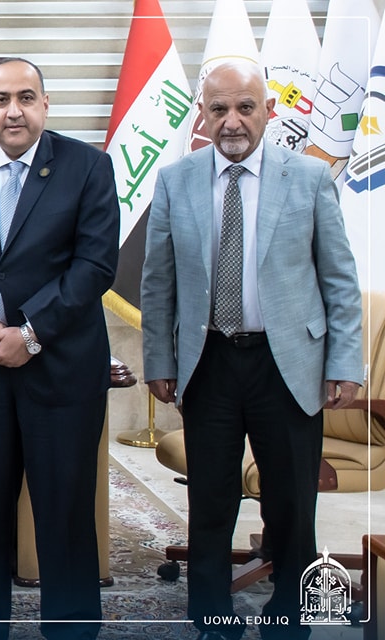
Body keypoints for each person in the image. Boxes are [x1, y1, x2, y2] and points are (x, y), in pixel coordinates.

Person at [140, 61, 363, 640]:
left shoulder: (309, 178)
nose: (232, 121)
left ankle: (289, 618)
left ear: (269, 110)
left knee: (291, 504)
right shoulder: (176, 180)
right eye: (219, 109)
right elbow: (158, 282)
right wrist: (159, 360)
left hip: (288, 364)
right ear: (202, 115)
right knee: (211, 503)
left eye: (245, 107)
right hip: (208, 362)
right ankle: (213, 618)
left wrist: (344, 363)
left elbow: (339, 280)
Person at [0, 57, 120, 640]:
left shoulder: (88, 166)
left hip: (61, 368)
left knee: (65, 507)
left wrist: (29, 335)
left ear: (45, 105)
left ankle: (72, 626)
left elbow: (94, 265)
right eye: (2, 99)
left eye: (26, 98)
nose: (14, 111)